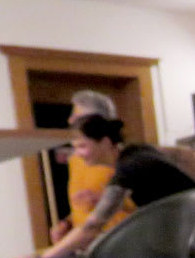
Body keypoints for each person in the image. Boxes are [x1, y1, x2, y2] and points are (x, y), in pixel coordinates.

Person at [40, 115, 195, 258]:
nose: (78, 154)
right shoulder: (136, 151)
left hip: (187, 234)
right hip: (190, 226)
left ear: (105, 142)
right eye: (75, 147)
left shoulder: (127, 168)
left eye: (82, 146)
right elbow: (184, 154)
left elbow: (92, 227)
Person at [47, 90, 136, 243]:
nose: (70, 120)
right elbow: (82, 205)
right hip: (86, 244)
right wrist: (67, 223)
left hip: (122, 240)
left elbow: (147, 203)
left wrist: (105, 199)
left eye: (76, 116)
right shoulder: (76, 160)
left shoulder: (122, 159)